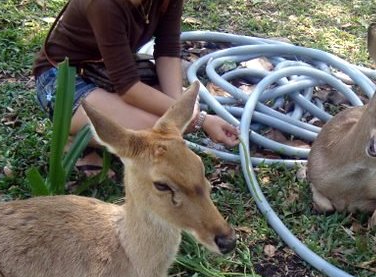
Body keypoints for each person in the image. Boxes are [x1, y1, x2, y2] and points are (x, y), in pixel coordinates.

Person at [33, 0, 239, 170]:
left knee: (178, 116)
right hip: (63, 77)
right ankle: (74, 137)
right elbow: (129, 89)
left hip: (108, 73)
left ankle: (102, 127)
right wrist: (199, 120)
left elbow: (167, 50)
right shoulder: (103, 5)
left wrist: (181, 110)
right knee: (155, 133)